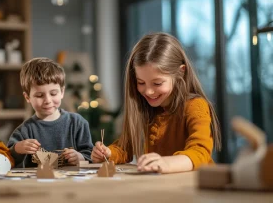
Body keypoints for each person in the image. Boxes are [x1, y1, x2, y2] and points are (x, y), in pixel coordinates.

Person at [91, 32, 221, 174]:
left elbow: (200, 152)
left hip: (199, 186)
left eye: (157, 83)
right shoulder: (145, 108)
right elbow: (125, 148)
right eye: (141, 82)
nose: (148, 92)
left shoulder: (195, 105)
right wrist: (108, 153)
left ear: (180, 72)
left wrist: (166, 163)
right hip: (164, 186)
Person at [7, 57, 93, 168]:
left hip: (71, 183)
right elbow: (8, 158)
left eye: (53, 94)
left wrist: (80, 157)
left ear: (62, 92)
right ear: (27, 97)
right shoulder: (24, 131)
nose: (47, 100)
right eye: (39, 95)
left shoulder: (77, 123)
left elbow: (90, 154)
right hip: (37, 183)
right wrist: (18, 148)